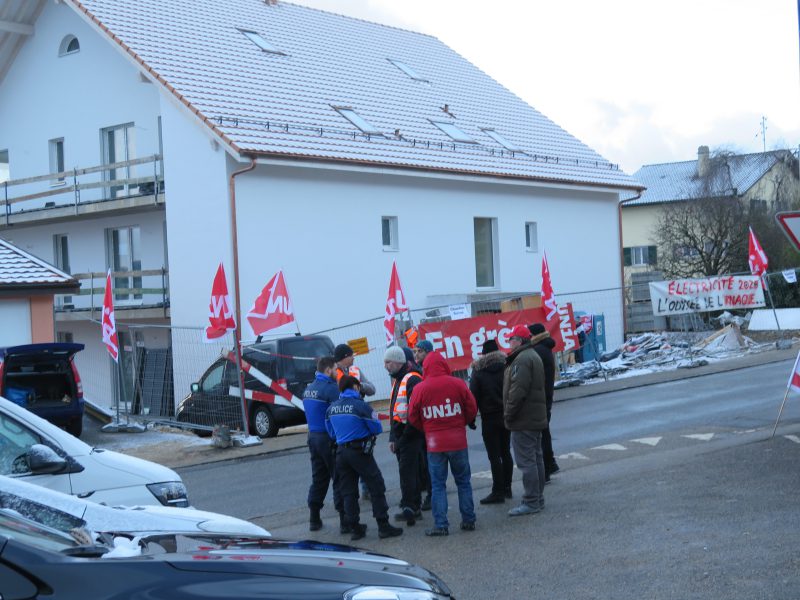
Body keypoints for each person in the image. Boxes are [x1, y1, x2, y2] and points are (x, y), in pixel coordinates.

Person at [325, 375, 403, 540]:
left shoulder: (331, 408)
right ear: (355, 387)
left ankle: (355, 528)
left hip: (341, 452)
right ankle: (383, 525)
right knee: (376, 484)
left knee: (348, 491)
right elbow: (376, 428)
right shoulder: (361, 406)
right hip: (359, 451)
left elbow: (330, 432)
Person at [408, 352, 478, 537]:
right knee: (463, 482)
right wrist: (461, 422)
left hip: (434, 443)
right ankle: (468, 519)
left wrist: (427, 428)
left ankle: (440, 525)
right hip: (457, 440)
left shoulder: (420, 388)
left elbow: (412, 416)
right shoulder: (458, 384)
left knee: (438, 485)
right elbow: (472, 408)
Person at [503, 324, 548, 517]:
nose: (509, 342)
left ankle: (531, 501)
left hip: (524, 419)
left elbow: (517, 391)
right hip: (533, 417)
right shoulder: (532, 355)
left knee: (527, 462)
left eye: (511, 339)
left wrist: (508, 414)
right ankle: (537, 498)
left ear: (519, 341)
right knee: (536, 458)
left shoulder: (521, 360)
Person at [302, 356, 344, 532]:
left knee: (319, 478)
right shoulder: (331, 389)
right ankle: (345, 520)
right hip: (328, 438)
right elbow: (339, 414)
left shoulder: (309, 389)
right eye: (335, 369)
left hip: (313, 437)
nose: (337, 372)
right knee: (340, 477)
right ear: (328, 370)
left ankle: (314, 518)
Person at [384, 345, 425, 525]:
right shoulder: (399, 380)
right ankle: (412, 505)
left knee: (408, 472)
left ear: (398, 362)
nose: (386, 366)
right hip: (402, 435)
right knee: (408, 472)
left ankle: (410, 507)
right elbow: (395, 411)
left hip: (410, 435)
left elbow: (415, 413)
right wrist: (393, 437)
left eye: (388, 362)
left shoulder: (411, 380)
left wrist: (402, 438)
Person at [469, 338, 514, 504]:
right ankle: (508, 488)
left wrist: (471, 419)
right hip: (506, 415)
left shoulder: (478, 371)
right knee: (506, 452)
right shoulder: (507, 366)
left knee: (494, 456)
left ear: (483, 354)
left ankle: (498, 491)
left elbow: (472, 397)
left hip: (489, 418)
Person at [334, 343, 375, 501]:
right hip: (343, 419)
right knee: (349, 458)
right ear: (344, 357)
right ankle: (349, 496)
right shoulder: (333, 373)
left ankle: (366, 489)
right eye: (351, 355)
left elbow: (372, 389)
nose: (353, 358)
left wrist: (359, 386)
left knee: (365, 452)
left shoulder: (356, 371)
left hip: (358, 416)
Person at [529, 323, 559, 480]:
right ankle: (551, 463)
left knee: (541, 435)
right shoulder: (543, 348)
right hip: (545, 396)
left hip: (541, 397)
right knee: (544, 431)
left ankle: (546, 469)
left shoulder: (538, 351)